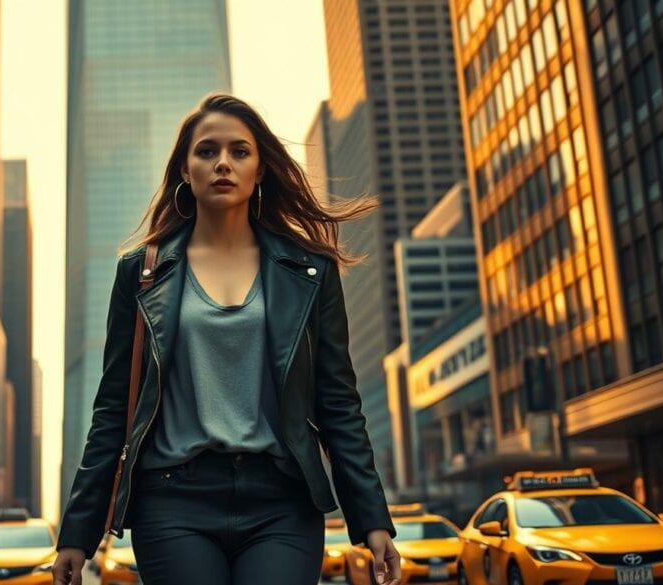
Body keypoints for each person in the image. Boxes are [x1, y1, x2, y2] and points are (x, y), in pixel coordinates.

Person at [52, 94, 403, 585]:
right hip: (174, 500)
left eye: (239, 152)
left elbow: (338, 404)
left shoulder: (309, 271)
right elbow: (114, 409)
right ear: (185, 169)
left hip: (282, 501)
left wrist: (371, 518)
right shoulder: (142, 273)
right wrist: (78, 532)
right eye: (206, 151)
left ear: (260, 170)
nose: (222, 163)